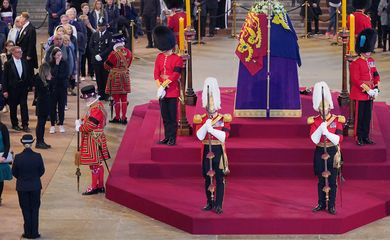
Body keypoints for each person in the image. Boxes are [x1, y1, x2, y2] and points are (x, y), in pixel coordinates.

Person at [193, 77, 232, 214]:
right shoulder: (201, 118)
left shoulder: (223, 118)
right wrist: (205, 125)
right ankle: (209, 202)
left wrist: (212, 129)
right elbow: (199, 136)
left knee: (220, 178)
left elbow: (224, 137)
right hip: (206, 151)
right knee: (207, 177)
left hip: (218, 151)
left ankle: (219, 204)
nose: (211, 107)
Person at [308, 81, 344, 215]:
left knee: (333, 180)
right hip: (319, 151)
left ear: (330, 107)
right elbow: (313, 139)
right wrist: (320, 129)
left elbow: (339, 139)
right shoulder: (315, 120)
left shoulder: (336, 120)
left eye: (326, 108)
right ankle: (321, 203)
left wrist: (327, 132)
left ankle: (331, 205)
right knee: (321, 180)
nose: (324, 110)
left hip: (332, 151)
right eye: (321, 108)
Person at [75, 85, 110, 195]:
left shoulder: (96, 109)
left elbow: (89, 126)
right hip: (97, 137)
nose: (85, 100)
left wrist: (80, 127)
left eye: (86, 98)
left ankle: (94, 186)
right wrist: (81, 121)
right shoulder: (96, 105)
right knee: (98, 163)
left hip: (93, 139)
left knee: (94, 164)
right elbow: (89, 119)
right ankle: (100, 185)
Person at [349, 28, 380, 145]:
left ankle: (366, 136)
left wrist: (376, 88)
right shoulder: (356, 63)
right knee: (360, 117)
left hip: (370, 94)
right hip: (360, 94)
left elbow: (376, 74)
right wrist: (368, 91)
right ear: (362, 49)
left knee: (367, 117)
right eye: (367, 50)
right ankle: (359, 137)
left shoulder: (371, 60)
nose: (369, 52)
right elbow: (355, 80)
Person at [153, 26, 183, 146]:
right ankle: (166, 137)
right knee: (165, 116)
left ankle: (172, 138)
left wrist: (164, 85)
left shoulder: (177, 59)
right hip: (161, 91)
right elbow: (156, 73)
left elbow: (175, 75)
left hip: (172, 91)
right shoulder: (159, 57)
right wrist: (159, 86)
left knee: (172, 117)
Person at [12, 134, 45, 239]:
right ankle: (35, 232)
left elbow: (14, 173)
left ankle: (27, 232)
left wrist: (22, 178)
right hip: (35, 186)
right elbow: (41, 171)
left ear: (22, 142)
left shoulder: (17, 157)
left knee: (25, 209)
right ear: (32, 142)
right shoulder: (38, 156)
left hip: (22, 187)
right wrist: (34, 177)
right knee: (35, 209)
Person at [104, 33, 132, 124]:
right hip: (125, 76)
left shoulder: (113, 54)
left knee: (116, 98)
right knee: (124, 98)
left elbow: (107, 66)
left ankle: (117, 117)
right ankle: (124, 118)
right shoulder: (129, 52)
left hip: (115, 77)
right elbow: (129, 64)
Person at [2, 46, 30, 132]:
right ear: (13, 53)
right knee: (13, 107)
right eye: (18, 52)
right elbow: (5, 78)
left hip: (23, 89)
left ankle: (25, 124)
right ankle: (15, 124)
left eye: (21, 52)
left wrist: (29, 85)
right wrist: (5, 90)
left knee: (24, 106)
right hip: (12, 89)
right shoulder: (8, 64)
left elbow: (28, 74)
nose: (21, 53)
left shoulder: (24, 61)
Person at [89, 17, 113, 100]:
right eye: (99, 26)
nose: (100, 28)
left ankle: (106, 94)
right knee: (98, 77)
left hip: (105, 60)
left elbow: (110, 47)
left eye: (102, 26)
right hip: (96, 60)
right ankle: (100, 93)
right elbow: (91, 46)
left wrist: (101, 55)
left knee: (105, 77)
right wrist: (96, 55)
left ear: (105, 26)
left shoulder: (109, 35)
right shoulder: (94, 34)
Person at [48, 47, 69, 134]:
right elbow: (51, 75)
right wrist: (56, 65)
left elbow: (64, 75)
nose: (59, 57)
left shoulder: (65, 63)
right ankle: (52, 125)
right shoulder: (50, 64)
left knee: (61, 107)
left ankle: (61, 124)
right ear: (53, 56)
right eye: (57, 55)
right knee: (52, 107)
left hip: (62, 88)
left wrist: (55, 77)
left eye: (60, 55)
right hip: (53, 89)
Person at [16, 12, 38, 82]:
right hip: (22, 53)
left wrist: (29, 55)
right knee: (24, 69)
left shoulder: (31, 29)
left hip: (27, 54)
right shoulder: (23, 27)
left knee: (28, 70)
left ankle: (30, 85)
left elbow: (32, 43)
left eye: (21, 17)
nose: (20, 18)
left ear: (25, 19)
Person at [35, 63, 52, 149]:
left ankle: (42, 140)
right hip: (41, 105)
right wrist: (49, 81)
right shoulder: (38, 79)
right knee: (40, 124)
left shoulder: (44, 79)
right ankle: (39, 142)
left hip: (45, 104)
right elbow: (43, 92)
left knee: (43, 124)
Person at [0, 119, 12, 207]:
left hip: (1, 158)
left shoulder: (3, 127)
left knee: (0, 180)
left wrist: (4, 156)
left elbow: (7, 144)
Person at [0, 40, 14, 113]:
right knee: (4, 90)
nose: (10, 47)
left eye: (12, 46)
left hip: (12, 76)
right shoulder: (3, 55)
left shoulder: (14, 55)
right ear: (6, 47)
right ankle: (5, 105)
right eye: (9, 46)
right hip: (4, 75)